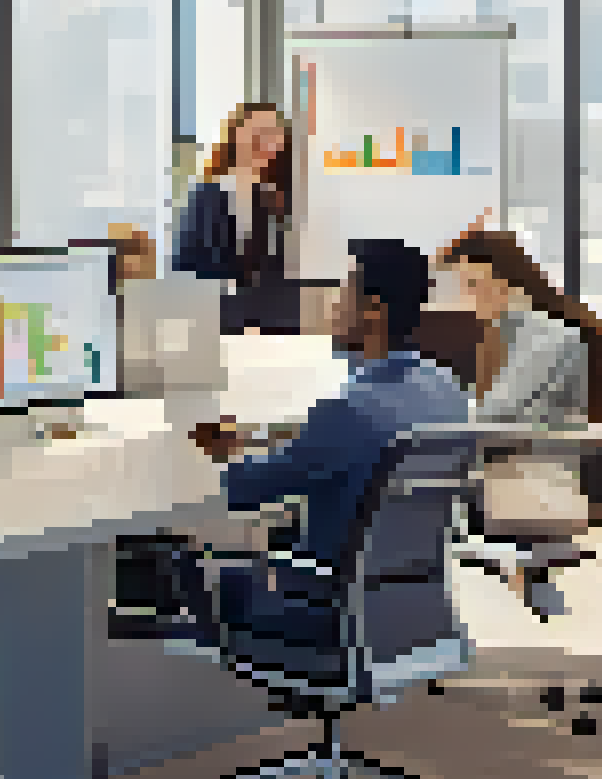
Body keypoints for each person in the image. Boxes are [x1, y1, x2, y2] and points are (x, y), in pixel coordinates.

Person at [186, 240, 470, 627]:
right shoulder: (449, 391)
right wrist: (278, 441)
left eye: (344, 291)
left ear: (373, 310)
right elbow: (334, 450)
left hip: (328, 609)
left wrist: (212, 453)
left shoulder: (350, 409)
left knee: (198, 568)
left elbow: (242, 489)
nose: (334, 305)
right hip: (411, 608)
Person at [437, 226, 602, 613]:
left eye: (472, 284)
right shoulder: (515, 332)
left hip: (532, 483)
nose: (465, 298)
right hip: (522, 476)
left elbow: (493, 415)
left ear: (504, 280)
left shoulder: (545, 336)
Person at [174, 102, 293, 289]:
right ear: (235, 134)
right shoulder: (207, 196)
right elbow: (189, 266)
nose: (264, 140)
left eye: (272, 133)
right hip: (218, 301)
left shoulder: (278, 200)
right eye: (257, 131)